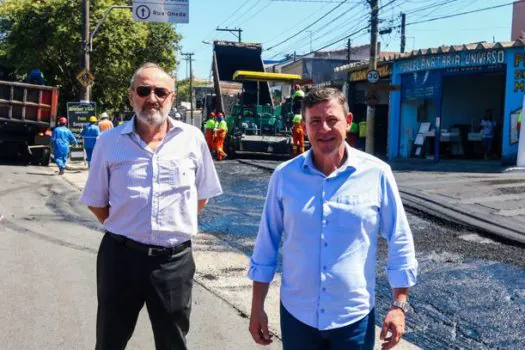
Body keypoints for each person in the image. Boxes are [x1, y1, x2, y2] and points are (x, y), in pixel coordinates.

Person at [248, 88, 417, 350]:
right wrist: (257, 306)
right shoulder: (284, 177)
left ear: (348, 121)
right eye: (315, 121)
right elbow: (266, 244)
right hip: (297, 316)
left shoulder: (377, 174)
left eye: (332, 120)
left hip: (353, 319)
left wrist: (399, 306)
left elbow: (400, 238)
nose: (324, 128)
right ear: (304, 126)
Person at [79, 63, 222, 350]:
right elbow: (97, 202)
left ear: (171, 97)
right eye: (144, 90)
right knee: (110, 340)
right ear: (132, 96)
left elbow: (201, 196)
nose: (152, 98)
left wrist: (170, 228)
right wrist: (128, 226)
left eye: (160, 91)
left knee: (173, 342)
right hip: (120, 259)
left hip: (173, 263)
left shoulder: (193, 139)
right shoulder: (109, 142)